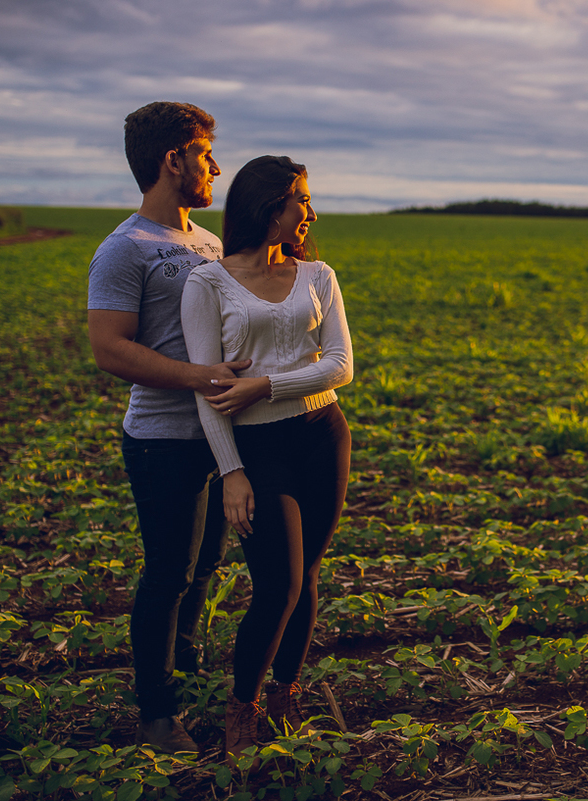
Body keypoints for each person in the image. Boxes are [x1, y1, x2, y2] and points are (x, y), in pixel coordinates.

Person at [87, 102, 258, 753]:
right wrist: (201, 377)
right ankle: (156, 714)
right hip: (161, 440)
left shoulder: (210, 243)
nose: (215, 166)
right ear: (173, 159)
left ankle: (184, 671)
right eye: (206, 154)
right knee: (168, 572)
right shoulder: (125, 249)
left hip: (220, 437)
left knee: (208, 563)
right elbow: (110, 348)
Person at [179, 156, 352, 761]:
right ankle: (243, 709)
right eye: (299, 199)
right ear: (267, 207)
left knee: (306, 577)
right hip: (257, 447)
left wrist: (266, 385)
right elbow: (209, 387)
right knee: (276, 584)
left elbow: (340, 366)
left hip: (322, 435)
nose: (309, 210)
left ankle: (285, 696)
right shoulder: (208, 283)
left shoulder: (319, 274)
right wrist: (231, 471)